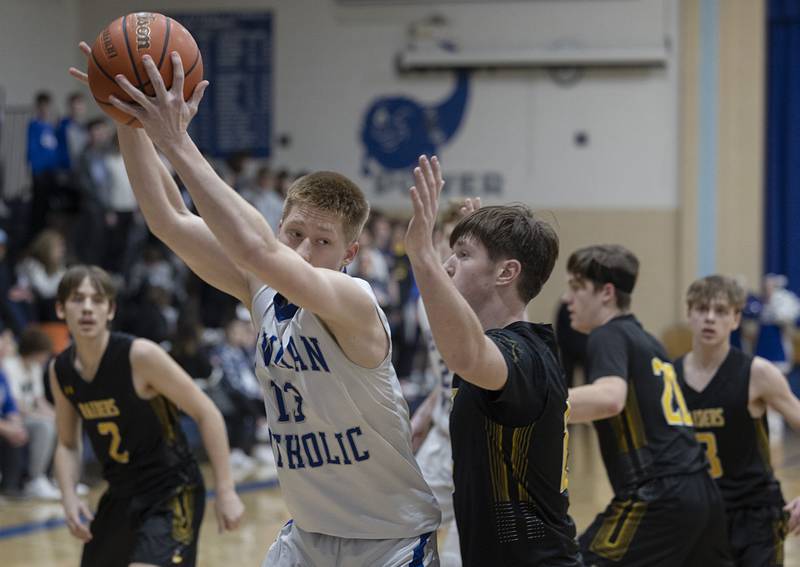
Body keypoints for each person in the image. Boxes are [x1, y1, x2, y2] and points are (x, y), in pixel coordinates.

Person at [70, 45, 440, 565]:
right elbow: (167, 219)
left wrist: (175, 141)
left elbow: (255, 248)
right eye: (295, 234)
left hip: (389, 540)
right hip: (308, 535)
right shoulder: (261, 289)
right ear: (280, 226)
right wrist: (126, 115)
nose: (305, 251)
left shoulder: (354, 300)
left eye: (323, 241)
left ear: (351, 253)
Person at [405, 156, 580, 566]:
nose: (448, 263)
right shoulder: (510, 346)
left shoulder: (522, 355)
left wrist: (421, 257)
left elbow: (465, 355)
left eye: (462, 255)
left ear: (506, 273)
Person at [50, 265, 244, 567]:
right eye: (77, 299)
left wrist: (226, 489)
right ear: (61, 309)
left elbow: (207, 413)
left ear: (111, 310)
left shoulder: (139, 356)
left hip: (171, 488)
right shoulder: (61, 370)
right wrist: (69, 496)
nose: (87, 308)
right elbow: (67, 443)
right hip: (120, 493)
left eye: (97, 300)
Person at [563, 244, 732, 566]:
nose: (568, 299)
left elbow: (610, 398)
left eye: (576, 287)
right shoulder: (648, 340)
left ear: (606, 293)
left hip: (659, 493)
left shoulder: (607, 335)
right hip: (701, 489)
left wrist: (534, 402)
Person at [675, 274, 800, 566]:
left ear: (735, 319)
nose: (709, 318)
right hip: (696, 515)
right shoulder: (669, 377)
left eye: (720, 311)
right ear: (689, 314)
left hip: (755, 515)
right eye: (701, 309)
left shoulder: (758, 373)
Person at [409, 199, 478, 567]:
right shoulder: (426, 303)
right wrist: (425, 413)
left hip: (479, 446)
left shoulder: (485, 303)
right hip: (441, 437)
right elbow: (450, 370)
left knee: (458, 556)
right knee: (400, 526)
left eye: (464, 249)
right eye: (447, 243)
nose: (451, 256)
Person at [3, 327, 60, 500]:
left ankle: (55, 477)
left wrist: (57, 415)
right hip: (18, 418)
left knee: (62, 423)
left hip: (30, 415)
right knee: (45, 426)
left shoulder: (35, 368)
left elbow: (40, 400)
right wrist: (41, 416)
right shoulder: (10, 366)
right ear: (34, 352)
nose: (45, 358)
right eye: (43, 354)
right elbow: (16, 404)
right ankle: (35, 479)